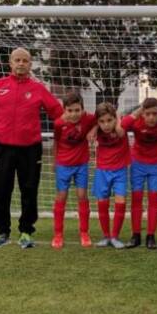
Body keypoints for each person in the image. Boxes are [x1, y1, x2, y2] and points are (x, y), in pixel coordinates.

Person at [0, 48, 62, 249]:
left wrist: (80, 125)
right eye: (17, 60)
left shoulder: (38, 88)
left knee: (29, 190)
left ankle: (26, 231)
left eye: (25, 60)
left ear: (30, 64)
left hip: (30, 149)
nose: (21, 63)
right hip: (1, 148)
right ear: (10, 63)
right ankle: (1, 232)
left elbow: (57, 113)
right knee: (2, 191)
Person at [121, 98, 157, 250]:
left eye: (155, 114)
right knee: (137, 199)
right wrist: (138, 112)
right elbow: (123, 125)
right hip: (138, 164)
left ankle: (150, 236)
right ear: (143, 113)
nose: (151, 117)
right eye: (147, 114)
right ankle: (135, 235)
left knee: (154, 200)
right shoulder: (137, 121)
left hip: (156, 166)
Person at [51, 91, 97, 249]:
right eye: (70, 110)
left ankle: (84, 232)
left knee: (82, 195)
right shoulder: (58, 124)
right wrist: (54, 161)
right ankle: (58, 234)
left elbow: (101, 119)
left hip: (81, 164)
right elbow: (56, 142)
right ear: (64, 110)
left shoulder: (89, 119)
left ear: (83, 109)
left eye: (77, 110)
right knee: (61, 196)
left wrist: (93, 130)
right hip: (63, 164)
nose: (74, 114)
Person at [87, 102, 130, 249]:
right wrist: (94, 127)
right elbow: (87, 119)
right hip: (102, 170)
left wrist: (117, 121)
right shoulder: (97, 129)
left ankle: (115, 236)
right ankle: (106, 236)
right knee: (102, 202)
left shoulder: (121, 126)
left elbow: (121, 132)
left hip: (120, 170)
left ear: (115, 118)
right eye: (102, 121)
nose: (106, 125)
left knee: (121, 201)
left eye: (109, 120)